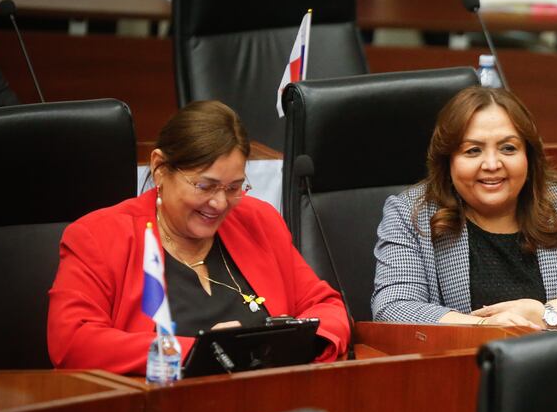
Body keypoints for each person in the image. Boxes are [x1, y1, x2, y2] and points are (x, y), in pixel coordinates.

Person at [48, 100, 350, 374]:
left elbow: (326, 306)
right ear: (160, 168)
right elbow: (73, 342)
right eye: (205, 186)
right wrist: (200, 353)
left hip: (265, 408)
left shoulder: (258, 221)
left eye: (234, 188)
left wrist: (295, 344)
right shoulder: (99, 237)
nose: (220, 204)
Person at [371, 86, 557, 329]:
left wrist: (546, 315)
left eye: (508, 148)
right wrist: (486, 326)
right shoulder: (411, 213)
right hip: (461, 373)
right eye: (473, 151)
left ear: (528, 155)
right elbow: (393, 307)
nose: (492, 164)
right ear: (448, 161)